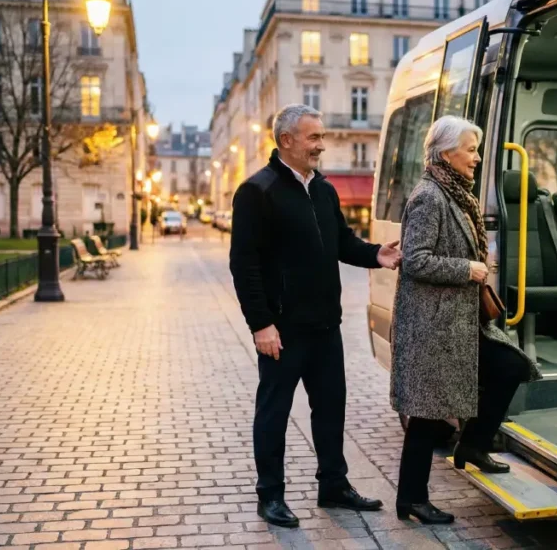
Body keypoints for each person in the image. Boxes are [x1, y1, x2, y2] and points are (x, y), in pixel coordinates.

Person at [229, 104, 403, 528]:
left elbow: (340, 241)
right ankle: (270, 495)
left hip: (326, 325)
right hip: (283, 330)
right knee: (273, 412)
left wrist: (375, 255)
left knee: (330, 409)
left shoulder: (323, 189)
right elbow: (244, 264)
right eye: (314, 138)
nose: (322, 146)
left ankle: (334, 485)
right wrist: (261, 324)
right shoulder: (258, 191)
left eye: (322, 137)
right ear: (285, 140)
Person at [389, 115, 541, 524]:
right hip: (433, 325)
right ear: (445, 152)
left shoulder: (456, 193)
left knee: (510, 366)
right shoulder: (429, 196)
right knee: (426, 414)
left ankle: (472, 445)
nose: (477, 158)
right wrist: (468, 269)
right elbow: (415, 260)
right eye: (471, 149)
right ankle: (411, 500)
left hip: (460, 323)